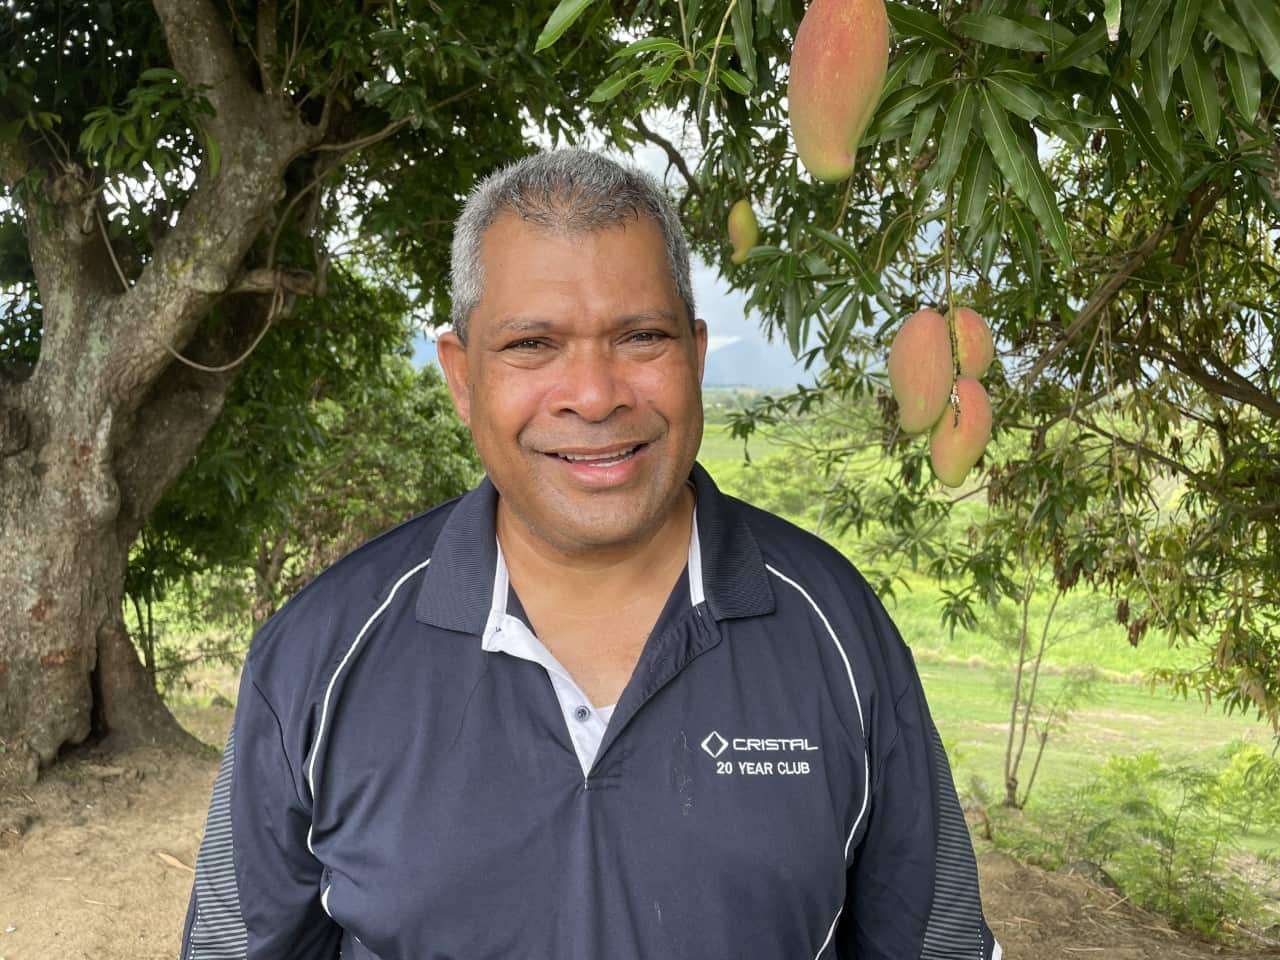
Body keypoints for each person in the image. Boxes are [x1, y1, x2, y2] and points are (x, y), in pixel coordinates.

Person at [180, 148, 1001, 960]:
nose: (596, 394)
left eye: (641, 336)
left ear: (696, 353)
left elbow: (936, 941)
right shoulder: (319, 656)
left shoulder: (838, 632)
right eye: (533, 344)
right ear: (462, 377)